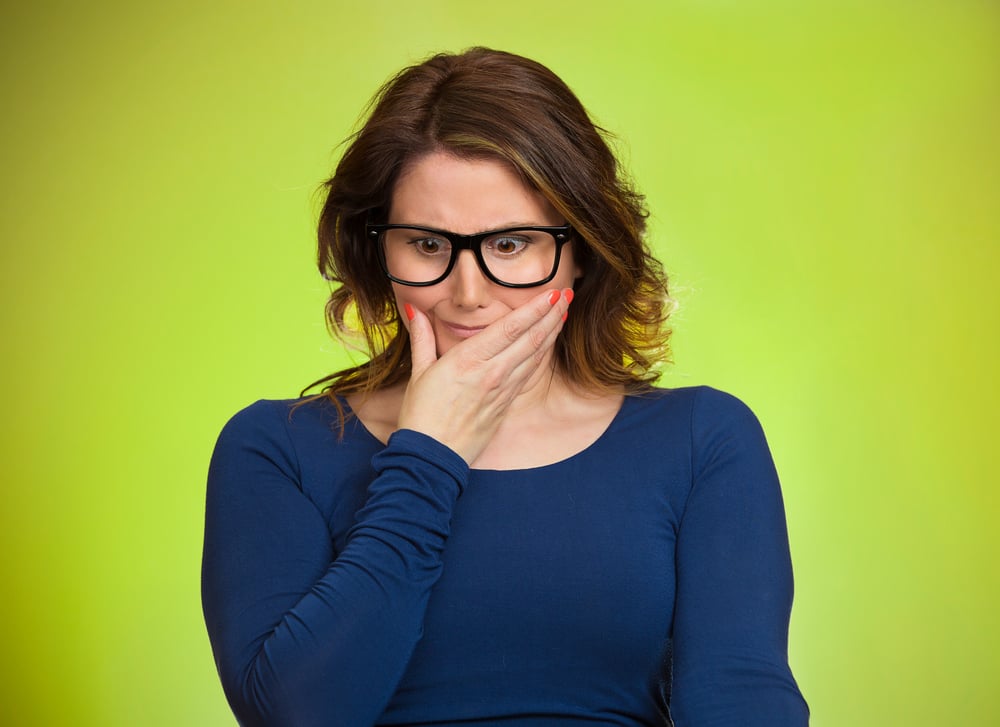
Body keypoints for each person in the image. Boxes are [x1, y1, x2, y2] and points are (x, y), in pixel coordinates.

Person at [201, 47, 809, 727]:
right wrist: (426, 457)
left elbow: (742, 699)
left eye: (512, 245)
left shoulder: (703, 440)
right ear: (378, 249)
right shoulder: (275, 449)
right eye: (427, 245)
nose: (468, 294)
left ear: (580, 248)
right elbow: (294, 715)